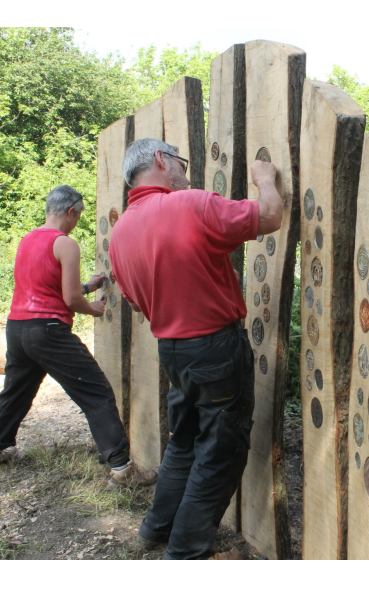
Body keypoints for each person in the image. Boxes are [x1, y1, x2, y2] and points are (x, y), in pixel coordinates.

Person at [109, 138, 282, 560]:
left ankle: (155, 528)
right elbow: (270, 216)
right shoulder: (190, 204)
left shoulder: (120, 234)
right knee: (220, 451)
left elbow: (136, 300)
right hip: (215, 349)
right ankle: (185, 551)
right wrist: (265, 179)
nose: (186, 173)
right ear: (160, 160)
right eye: (181, 163)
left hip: (172, 349)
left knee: (184, 442)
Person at [0, 185, 154, 489]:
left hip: (18, 328)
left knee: (15, 392)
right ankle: (122, 468)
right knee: (96, 392)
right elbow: (71, 300)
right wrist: (94, 309)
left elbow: (48, 288)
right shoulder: (66, 244)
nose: (77, 222)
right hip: (47, 331)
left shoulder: (28, 240)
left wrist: (88, 286)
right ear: (71, 212)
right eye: (79, 216)